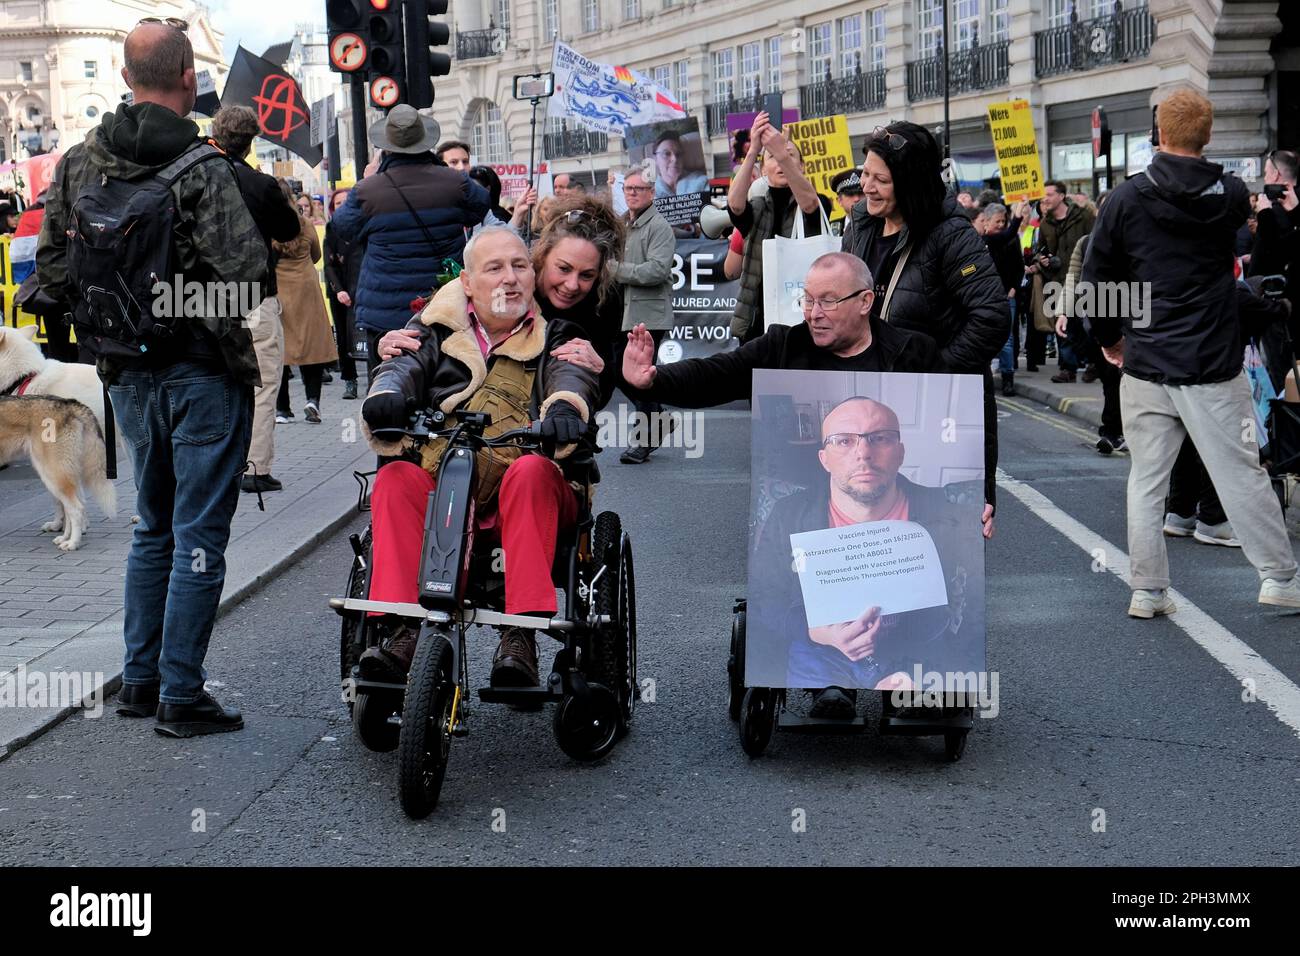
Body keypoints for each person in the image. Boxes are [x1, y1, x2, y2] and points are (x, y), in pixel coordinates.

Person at [36, 18, 266, 735]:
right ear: (189, 79)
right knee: (199, 528)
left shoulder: (78, 162)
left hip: (123, 377)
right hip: (200, 374)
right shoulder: (201, 168)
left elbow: (50, 270)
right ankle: (180, 693)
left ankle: (138, 682)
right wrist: (175, 306)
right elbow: (248, 279)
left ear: (127, 76)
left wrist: (122, 319)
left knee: (152, 527)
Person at [623, 252, 972, 717]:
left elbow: (965, 413)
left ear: (866, 300)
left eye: (828, 301)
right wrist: (653, 380)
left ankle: (904, 679)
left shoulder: (914, 352)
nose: (813, 312)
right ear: (826, 454)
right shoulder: (784, 346)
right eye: (807, 299)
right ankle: (833, 679)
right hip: (823, 522)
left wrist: (984, 497)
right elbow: (719, 373)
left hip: (897, 531)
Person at [1084, 88, 1300, 617]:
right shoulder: (1230, 193)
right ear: (1207, 135)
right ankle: (1279, 578)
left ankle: (1147, 590)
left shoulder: (1126, 198)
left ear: (1158, 133)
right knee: (1241, 472)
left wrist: (1111, 339)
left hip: (1147, 358)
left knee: (1146, 481)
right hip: (1210, 360)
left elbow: (1097, 278)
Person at [359, 228, 601, 687]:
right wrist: (387, 394)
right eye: (495, 268)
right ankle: (403, 628)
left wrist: (566, 407)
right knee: (395, 480)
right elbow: (401, 367)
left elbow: (571, 374)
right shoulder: (431, 330)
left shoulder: (559, 333)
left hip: (531, 489)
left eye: (520, 266)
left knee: (531, 471)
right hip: (447, 486)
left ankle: (519, 634)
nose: (510, 279)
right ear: (468, 282)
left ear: (533, 276)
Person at [750, 396, 984, 692]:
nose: (863, 453)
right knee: (822, 726)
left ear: (900, 452)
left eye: (880, 438)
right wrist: (818, 632)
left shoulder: (949, 515)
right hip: (820, 651)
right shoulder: (788, 514)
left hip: (916, 649)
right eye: (844, 441)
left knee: (917, 724)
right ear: (824, 459)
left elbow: (975, 606)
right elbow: (763, 595)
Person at [841, 121, 1007, 520]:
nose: (866, 186)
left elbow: (991, 317)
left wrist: (937, 374)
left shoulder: (952, 236)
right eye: (866, 174)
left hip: (936, 414)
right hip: (868, 402)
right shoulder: (862, 223)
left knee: (933, 530)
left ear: (911, 183)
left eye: (881, 179)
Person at [378, 195, 627, 409]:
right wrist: (397, 349)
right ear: (539, 258)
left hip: (558, 423)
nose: (572, 284)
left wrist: (599, 370)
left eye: (587, 275)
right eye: (563, 268)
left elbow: (601, 391)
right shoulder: (505, 285)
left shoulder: (606, 299)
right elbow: (432, 332)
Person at [331, 106, 489, 377]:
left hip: (385, 312)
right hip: (443, 302)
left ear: (386, 148)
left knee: (387, 383)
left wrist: (369, 178)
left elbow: (343, 226)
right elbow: (480, 208)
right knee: (447, 379)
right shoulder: (455, 182)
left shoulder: (369, 189)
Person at [210, 106, 301, 493]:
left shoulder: (197, 178)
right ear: (250, 142)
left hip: (203, 298)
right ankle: (254, 467)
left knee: (214, 383)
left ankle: (214, 464)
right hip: (255, 296)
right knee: (263, 384)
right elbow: (290, 227)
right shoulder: (260, 185)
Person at [729, 110, 828, 343]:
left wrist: (781, 153)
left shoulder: (817, 200)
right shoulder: (758, 206)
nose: (781, 160)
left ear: (801, 166)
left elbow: (810, 204)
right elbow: (734, 205)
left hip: (801, 316)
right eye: (772, 157)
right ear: (763, 169)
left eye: (790, 155)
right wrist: (753, 149)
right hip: (757, 318)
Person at [612, 167, 676, 463]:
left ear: (652, 193)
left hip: (648, 313)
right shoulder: (624, 223)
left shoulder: (659, 226)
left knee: (638, 376)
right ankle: (658, 418)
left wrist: (617, 271)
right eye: (628, 188)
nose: (633, 193)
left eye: (639, 189)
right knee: (618, 371)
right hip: (628, 312)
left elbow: (658, 269)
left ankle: (644, 441)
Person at [1031, 180, 1095, 383]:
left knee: (1087, 325)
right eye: (1044, 195)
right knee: (1063, 327)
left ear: (1061, 196)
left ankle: (1094, 364)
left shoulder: (1084, 217)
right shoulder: (1045, 224)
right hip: (1057, 281)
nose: (1045, 199)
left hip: (1083, 281)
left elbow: (1096, 242)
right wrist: (1042, 259)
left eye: (1049, 195)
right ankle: (1068, 368)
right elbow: (1039, 251)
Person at [973, 202, 1025, 397]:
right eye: (997, 221)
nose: (1001, 224)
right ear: (985, 222)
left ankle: (1007, 378)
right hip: (982, 298)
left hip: (1005, 295)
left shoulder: (1005, 240)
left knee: (1007, 340)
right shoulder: (978, 241)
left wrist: (1013, 289)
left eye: (1004, 221)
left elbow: (1017, 265)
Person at [324, 186, 363, 400]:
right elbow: (329, 265)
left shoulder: (364, 227)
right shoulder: (332, 229)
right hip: (339, 290)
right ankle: (350, 380)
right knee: (344, 337)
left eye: (346, 202)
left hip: (361, 289)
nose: (343, 206)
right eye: (338, 203)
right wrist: (339, 290)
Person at [650, 130, 709, 198]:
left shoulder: (701, 181)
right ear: (655, 159)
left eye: (678, 154)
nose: (675, 159)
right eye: (666, 153)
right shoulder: (650, 196)